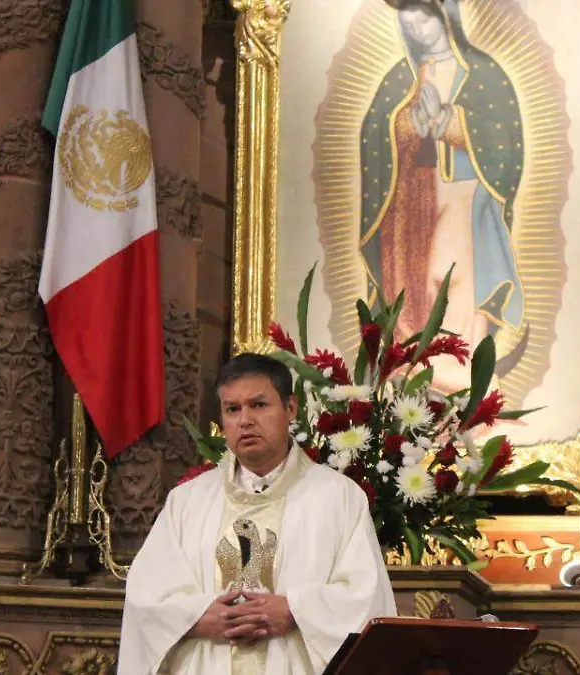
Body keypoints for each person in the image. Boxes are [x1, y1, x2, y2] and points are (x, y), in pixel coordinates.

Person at [118, 353, 397, 674]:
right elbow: (146, 597)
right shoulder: (186, 502)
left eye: (259, 405)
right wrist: (195, 617)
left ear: (290, 408)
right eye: (232, 409)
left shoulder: (339, 498)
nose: (245, 420)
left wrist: (295, 611)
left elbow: (366, 599)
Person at [358, 0, 527, 392]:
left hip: (463, 193)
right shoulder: (400, 78)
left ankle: (459, 373)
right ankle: (413, 372)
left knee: (448, 271)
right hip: (410, 199)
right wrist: (408, 124)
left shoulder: (482, 73)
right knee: (415, 279)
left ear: (445, 17)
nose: (417, 30)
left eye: (424, 19)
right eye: (408, 24)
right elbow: (374, 136)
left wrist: (448, 121)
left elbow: (505, 141)